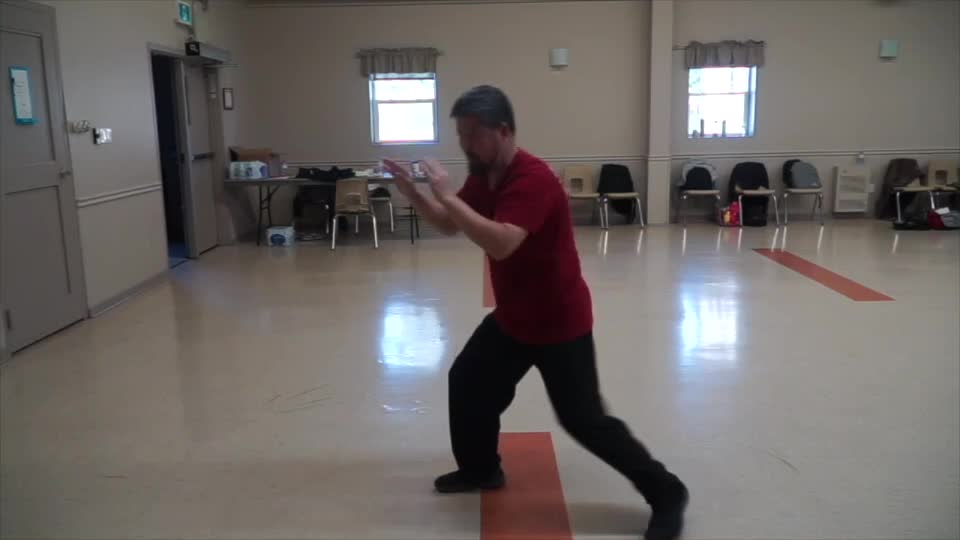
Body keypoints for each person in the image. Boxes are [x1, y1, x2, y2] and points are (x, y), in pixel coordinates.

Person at [383, 85, 688, 540]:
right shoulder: (485, 174)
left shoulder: (533, 180)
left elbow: (502, 243)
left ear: (503, 131)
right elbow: (450, 224)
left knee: (583, 419)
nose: (465, 144)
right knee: (468, 382)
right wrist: (413, 191)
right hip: (513, 318)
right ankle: (482, 469)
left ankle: (666, 492)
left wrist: (446, 195)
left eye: (472, 134)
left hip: (558, 321)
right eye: (461, 134)